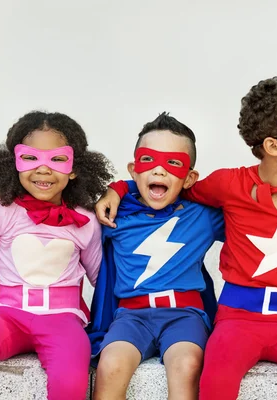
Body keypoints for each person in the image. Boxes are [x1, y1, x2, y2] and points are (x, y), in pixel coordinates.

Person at [96, 77, 277, 400]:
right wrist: (120, 187)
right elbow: (173, 184)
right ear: (272, 145)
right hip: (237, 319)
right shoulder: (227, 185)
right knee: (215, 384)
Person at [0, 111, 113, 399]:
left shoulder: (85, 221)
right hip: (7, 315)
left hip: (63, 319)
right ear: (13, 164)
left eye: (57, 159)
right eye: (31, 158)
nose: (43, 170)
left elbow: (100, 278)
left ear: (75, 169)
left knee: (70, 380)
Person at [89, 112, 224, 400]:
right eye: (148, 161)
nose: (159, 172)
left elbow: (253, 218)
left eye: (173, 163)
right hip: (130, 316)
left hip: (184, 315)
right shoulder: (116, 213)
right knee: (110, 364)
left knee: (187, 364)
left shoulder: (202, 217)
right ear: (133, 170)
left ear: (189, 178)